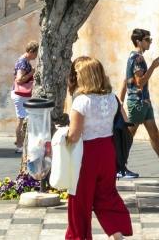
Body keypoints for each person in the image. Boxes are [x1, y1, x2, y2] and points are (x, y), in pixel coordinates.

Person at [64, 55, 133, 240]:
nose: (76, 77)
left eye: (78, 74)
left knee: (79, 199)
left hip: (86, 154)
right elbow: (126, 123)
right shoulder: (113, 98)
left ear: (84, 76)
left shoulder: (81, 101)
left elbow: (74, 135)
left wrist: (61, 135)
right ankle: (117, 233)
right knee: (106, 196)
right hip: (108, 150)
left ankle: (78, 237)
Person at [119, 29, 159, 179]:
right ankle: (119, 167)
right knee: (129, 136)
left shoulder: (135, 57)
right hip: (138, 103)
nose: (150, 42)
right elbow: (139, 82)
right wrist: (153, 67)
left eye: (150, 39)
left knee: (154, 135)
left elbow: (125, 81)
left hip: (144, 103)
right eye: (147, 39)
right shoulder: (138, 59)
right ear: (139, 42)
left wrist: (120, 100)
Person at [14, 41, 39, 151]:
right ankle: (19, 145)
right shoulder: (23, 62)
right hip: (21, 95)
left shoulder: (24, 61)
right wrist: (31, 73)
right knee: (22, 120)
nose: (37, 56)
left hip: (22, 95)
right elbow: (19, 80)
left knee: (23, 119)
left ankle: (19, 142)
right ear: (31, 52)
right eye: (36, 53)